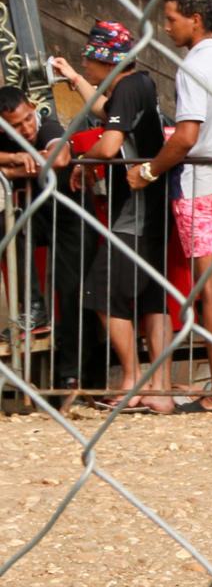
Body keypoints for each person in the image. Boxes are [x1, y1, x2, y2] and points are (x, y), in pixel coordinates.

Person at [124, 0, 212, 411]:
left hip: (201, 185)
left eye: (171, 19)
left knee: (210, 290)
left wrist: (147, 171)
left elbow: (185, 137)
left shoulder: (193, 67)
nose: (165, 28)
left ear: (195, 19)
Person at [56, 23, 174, 412]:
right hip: (155, 209)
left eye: (87, 59)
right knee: (152, 301)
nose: (84, 64)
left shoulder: (127, 88)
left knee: (101, 291)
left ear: (106, 59)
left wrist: (81, 162)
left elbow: (107, 146)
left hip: (134, 213)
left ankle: (131, 379)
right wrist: (73, 79)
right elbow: (103, 110)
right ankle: (161, 388)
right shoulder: (138, 85)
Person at [0, 84, 91, 394]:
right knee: (9, 224)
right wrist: (16, 159)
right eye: (16, 126)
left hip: (72, 218)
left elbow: (59, 157)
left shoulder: (48, 123)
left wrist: (11, 167)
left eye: (27, 119)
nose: (26, 128)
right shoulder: (10, 139)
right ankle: (34, 307)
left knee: (70, 293)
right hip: (38, 216)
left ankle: (71, 378)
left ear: (31, 107)